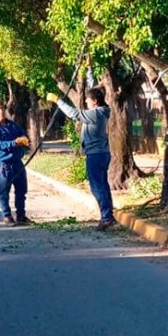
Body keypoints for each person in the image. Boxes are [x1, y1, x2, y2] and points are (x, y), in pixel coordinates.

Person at [47, 87, 115, 230]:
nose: (86, 102)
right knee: (103, 186)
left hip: (96, 155)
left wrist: (58, 101)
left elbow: (74, 114)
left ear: (95, 102)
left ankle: (107, 218)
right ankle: (108, 216)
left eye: (88, 100)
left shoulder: (96, 114)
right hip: (101, 153)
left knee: (97, 188)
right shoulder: (100, 112)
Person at [0, 101, 32, 226]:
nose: (1, 112)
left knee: (21, 191)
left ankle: (21, 216)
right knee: (4, 192)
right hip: (4, 165)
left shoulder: (12, 125)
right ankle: (7, 216)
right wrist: (15, 142)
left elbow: (22, 134)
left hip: (17, 162)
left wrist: (25, 140)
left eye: (2, 109)